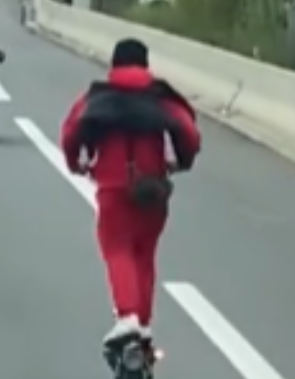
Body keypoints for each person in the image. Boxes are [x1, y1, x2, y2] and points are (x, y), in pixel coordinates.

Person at [60, 38, 201, 351]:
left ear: (114, 65)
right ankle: (144, 326)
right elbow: (189, 132)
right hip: (152, 188)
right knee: (144, 254)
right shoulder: (162, 98)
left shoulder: (97, 97)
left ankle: (128, 318)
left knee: (117, 249)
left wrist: (76, 163)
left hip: (112, 188)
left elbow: (71, 133)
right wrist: (181, 161)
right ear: (145, 65)